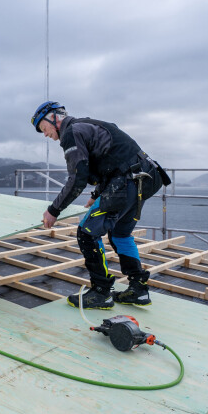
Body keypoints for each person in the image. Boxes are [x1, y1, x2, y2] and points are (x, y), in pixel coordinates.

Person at [32, 101, 170, 309]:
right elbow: (112, 160)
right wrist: (97, 194)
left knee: (87, 232)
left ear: (55, 118)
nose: (45, 135)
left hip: (127, 180)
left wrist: (54, 210)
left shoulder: (71, 132)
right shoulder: (86, 125)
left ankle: (101, 292)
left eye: (44, 128)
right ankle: (139, 289)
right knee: (120, 235)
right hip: (145, 177)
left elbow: (78, 177)